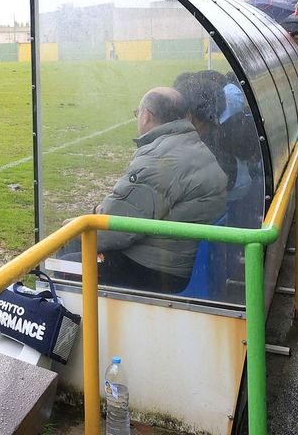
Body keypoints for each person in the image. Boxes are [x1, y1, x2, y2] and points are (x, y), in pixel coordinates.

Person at [94, 87, 228, 294]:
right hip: (183, 261)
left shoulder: (158, 158)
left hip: (158, 271)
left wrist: (83, 225)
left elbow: (115, 231)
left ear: (146, 116)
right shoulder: (195, 145)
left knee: (67, 258)